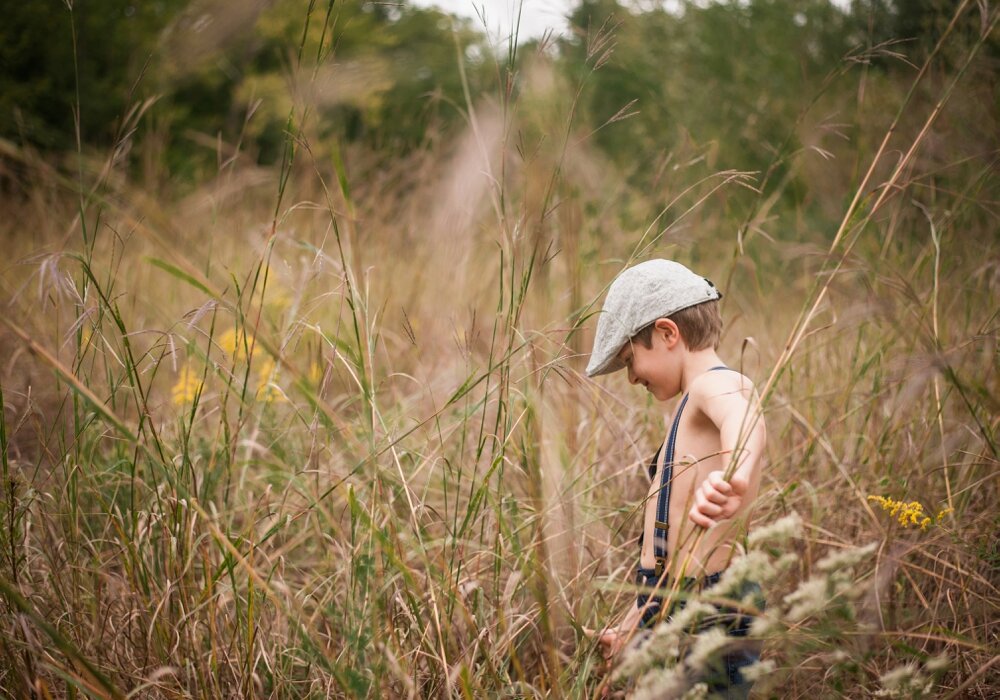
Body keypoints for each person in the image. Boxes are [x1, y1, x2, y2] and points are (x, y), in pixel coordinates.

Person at [585, 259, 767, 698]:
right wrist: (636, 621)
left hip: (709, 608)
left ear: (668, 334)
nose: (630, 377)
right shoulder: (689, 405)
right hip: (673, 598)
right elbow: (673, 550)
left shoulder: (715, 385)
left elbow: (742, 414)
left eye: (630, 359)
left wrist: (737, 472)